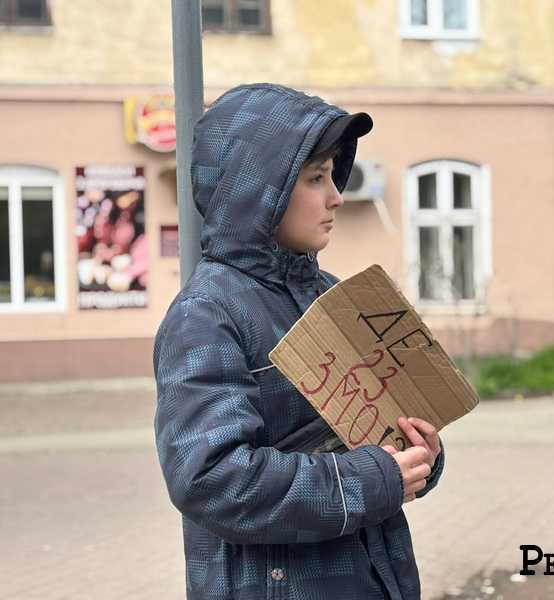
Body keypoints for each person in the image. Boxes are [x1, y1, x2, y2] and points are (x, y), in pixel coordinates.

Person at [154, 83, 444, 600]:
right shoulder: (206, 314)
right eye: (315, 178)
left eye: (332, 175)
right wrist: (374, 480)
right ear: (257, 191)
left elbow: (377, 437)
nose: (336, 196)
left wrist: (417, 455)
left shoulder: (334, 295)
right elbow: (214, 482)